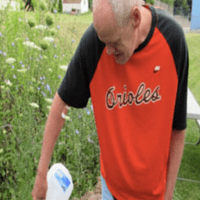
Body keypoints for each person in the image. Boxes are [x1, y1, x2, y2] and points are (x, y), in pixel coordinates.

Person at [32, 0, 189, 199]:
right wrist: (41, 175)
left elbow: (178, 128)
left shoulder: (172, 39)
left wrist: (168, 196)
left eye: (114, 42)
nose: (107, 51)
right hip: (111, 191)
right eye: (103, 42)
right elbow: (61, 103)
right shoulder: (96, 42)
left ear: (136, 18)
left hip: (155, 194)